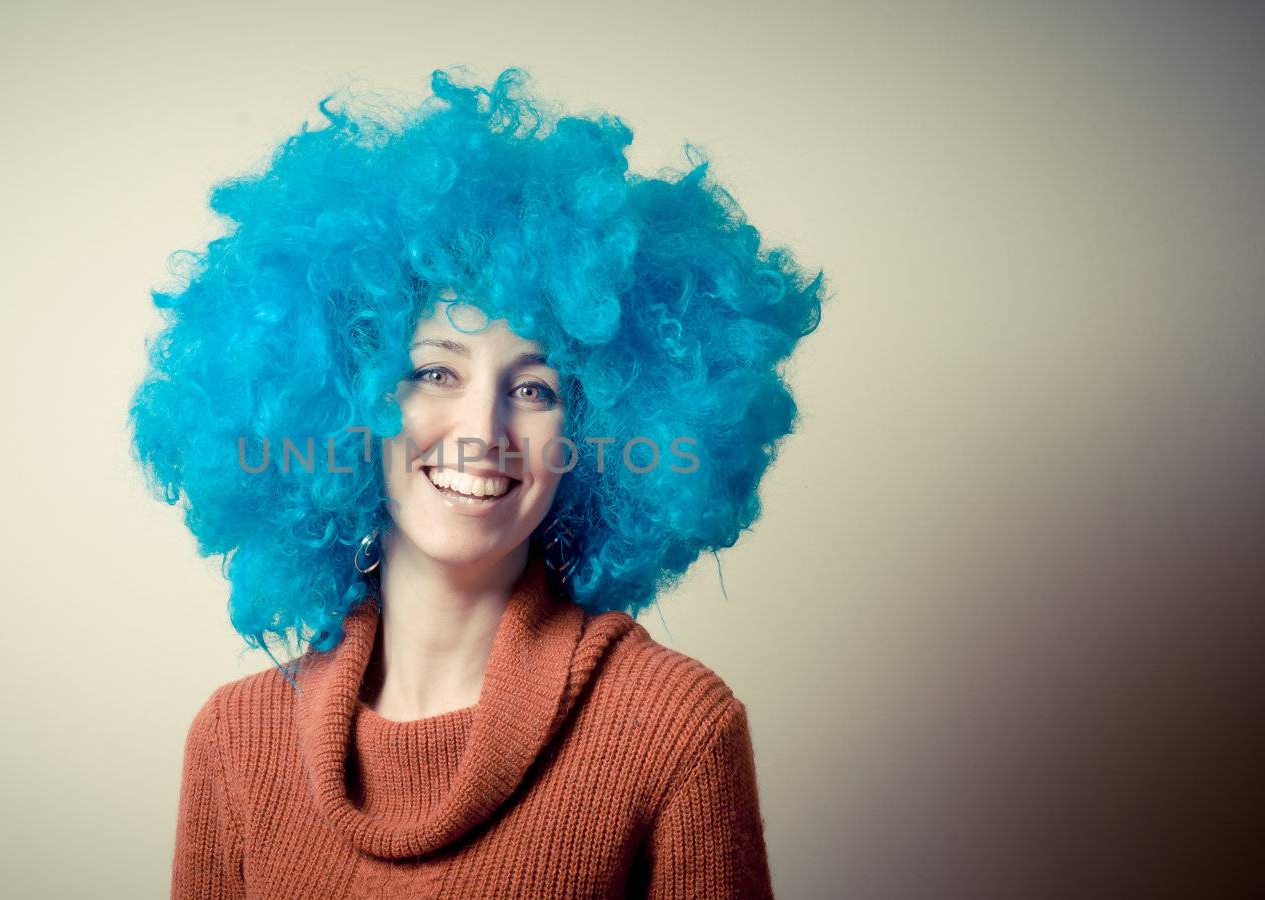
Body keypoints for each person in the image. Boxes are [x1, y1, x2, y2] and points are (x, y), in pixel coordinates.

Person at [129, 65, 826, 899]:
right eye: (434, 373)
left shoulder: (673, 732)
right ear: (347, 401)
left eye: (535, 389)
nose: (481, 432)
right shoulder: (236, 741)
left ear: (592, 433)